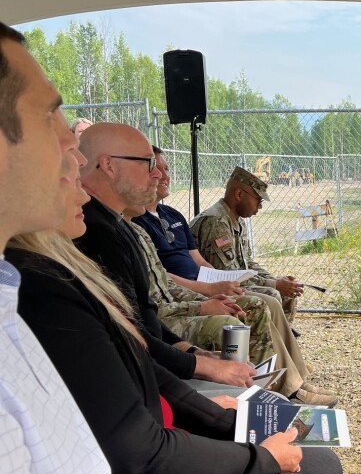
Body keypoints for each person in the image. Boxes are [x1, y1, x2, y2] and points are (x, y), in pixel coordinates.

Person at [0, 20, 361, 474]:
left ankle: (285, 389)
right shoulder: (43, 285)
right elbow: (136, 452)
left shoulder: (25, 294)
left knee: (307, 432)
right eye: (51, 116)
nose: (71, 142)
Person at [8, 180, 361, 474]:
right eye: (67, 170)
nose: (82, 189)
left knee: (321, 459)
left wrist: (217, 416)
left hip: (160, 450)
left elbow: (143, 364)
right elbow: (140, 456)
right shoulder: (43, 292)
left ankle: (293, 385)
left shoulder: (67, 266)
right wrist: (259, 458)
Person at [132, 148, 336, 405]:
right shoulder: (210, 222)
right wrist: (207, 296)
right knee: (263, 301)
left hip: (201, 284)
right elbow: (162, 283)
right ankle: (281, 388)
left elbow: (203, 262)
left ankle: (293, 378)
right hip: (184, 296)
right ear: (239, 194)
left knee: (271, 296)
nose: (162, 175)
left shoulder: (172, 215)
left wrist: (219, 284)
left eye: (167, 169)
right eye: (258, 199)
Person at [75, 122, 257, 393]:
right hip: (142, 385)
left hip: (154, 369)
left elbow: (144, 321)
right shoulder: (94, 233)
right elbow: (130, 341)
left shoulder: (118, 227)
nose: (158, 175)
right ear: (109, 165)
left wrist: (193, 352)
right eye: (148, 163)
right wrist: (201, 366)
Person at [190, 167, 304, 316]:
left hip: (234, 283)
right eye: (258, 199)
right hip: (215, 289)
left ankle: (281, 335)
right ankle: (271, 337)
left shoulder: (237, 219)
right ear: (239, 194)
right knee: (273, 294)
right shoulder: (216, 222)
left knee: (287, 294)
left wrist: (275, 280)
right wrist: (274, 284)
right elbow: (226, 274)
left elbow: (247, 262)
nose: (260, 206)